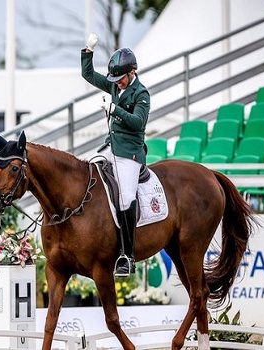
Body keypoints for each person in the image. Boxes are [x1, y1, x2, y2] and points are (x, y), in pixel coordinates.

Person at [81, 33, 150, 277]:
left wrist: (115, 109)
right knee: (88, 172)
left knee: (126, 197)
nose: (117, 83)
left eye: (120, 78)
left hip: (130, 152)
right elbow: (88, 75)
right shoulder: (113, 84)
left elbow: (138, 122)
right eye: (115, 79)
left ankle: (127, 256)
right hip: (111, 146)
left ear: (132, 72)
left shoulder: (142, 94)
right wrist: (88, 51)